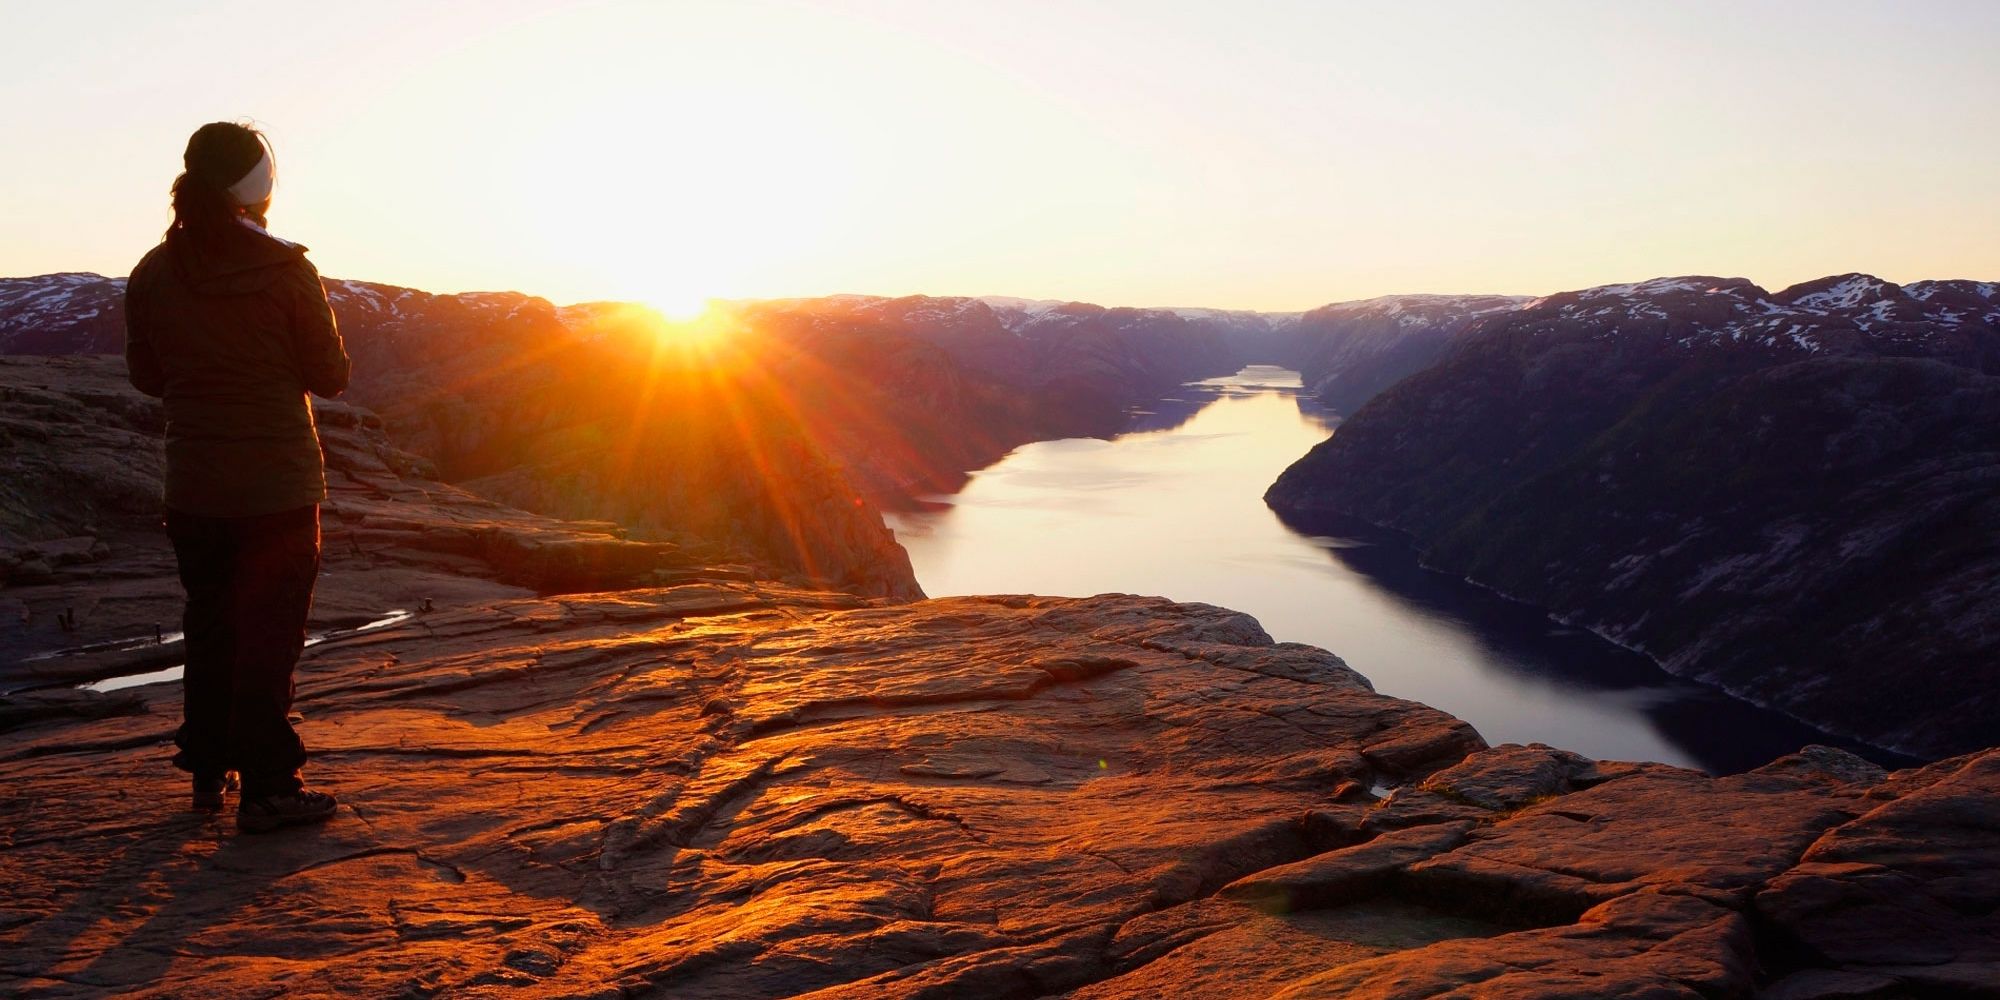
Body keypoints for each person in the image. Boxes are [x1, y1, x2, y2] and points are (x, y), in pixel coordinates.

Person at [124, 121, 350, 833]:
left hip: (194, 486)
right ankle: (270, 788)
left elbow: (146, 375)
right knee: (269, 637)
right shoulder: (286, 270)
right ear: (260, 187)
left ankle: (206, 770)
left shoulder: (154, 271)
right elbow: (331, 376)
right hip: (277, 487)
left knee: (211, 626)